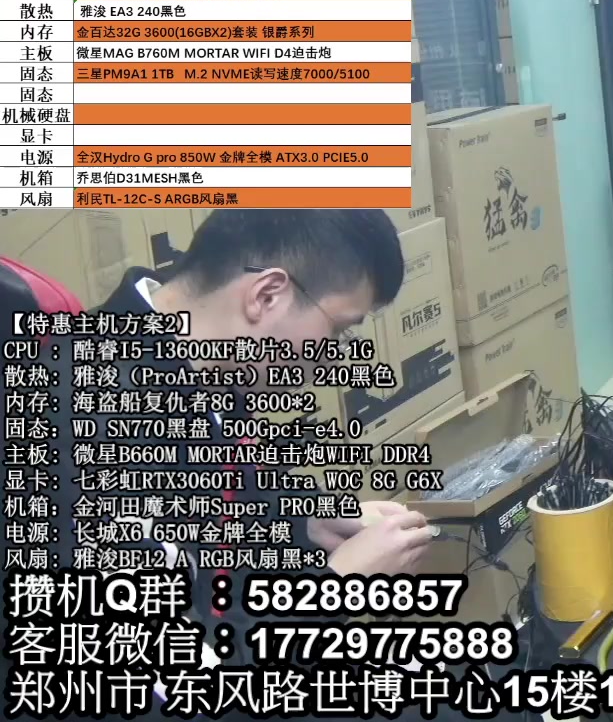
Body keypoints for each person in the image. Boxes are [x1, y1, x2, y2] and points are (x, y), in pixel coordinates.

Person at [35, 210, 442, 716]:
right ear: (266, 295)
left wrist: (307, 520)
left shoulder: (202, 366)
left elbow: (233, 499)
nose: (330, 359)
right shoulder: (78, 429)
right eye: (336, 331)